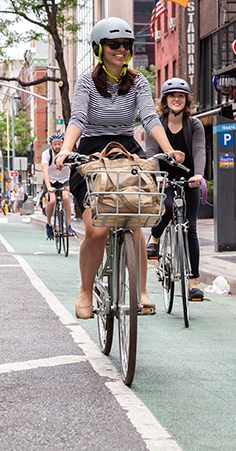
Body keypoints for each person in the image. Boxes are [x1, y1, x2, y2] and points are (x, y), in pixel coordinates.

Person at [55, 17, 184, 320]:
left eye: (126, 44)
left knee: (135, 220)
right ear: (99, 49)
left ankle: (140, 291)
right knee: (97, 229)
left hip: (127, 149)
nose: (121, 49)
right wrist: (65, 149)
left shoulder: (138, 81)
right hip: (90, 151)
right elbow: (77, 120)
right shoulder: (87, 81)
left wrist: (168, 151)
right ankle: (86, 290)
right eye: (114, 44)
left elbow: (150, 118)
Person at [144, 78, 207, 302]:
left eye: (181, 96)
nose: (177, 99)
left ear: (186, 100)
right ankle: (155, 236)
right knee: (168, 206)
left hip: (189, 180)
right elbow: (152, 152)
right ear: (165, 100)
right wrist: (159, 177)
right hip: (164, 179)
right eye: (172, 96)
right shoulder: (155, 124)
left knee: (190, 228)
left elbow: (199, 149)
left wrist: (198, 175)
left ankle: (193, 284)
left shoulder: (195, 124)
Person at [42, 133, 75, 239]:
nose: (57, 146)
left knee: (66, 198)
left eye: (59, 144)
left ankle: (69, 225)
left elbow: (74, 168)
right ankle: (49, 224)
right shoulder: (47, 154)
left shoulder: (69, 154)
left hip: (64, 179)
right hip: (50, 180)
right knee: (51, 201)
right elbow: (45, 170)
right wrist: (49, 187)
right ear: (51, 144)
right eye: (55, 144)